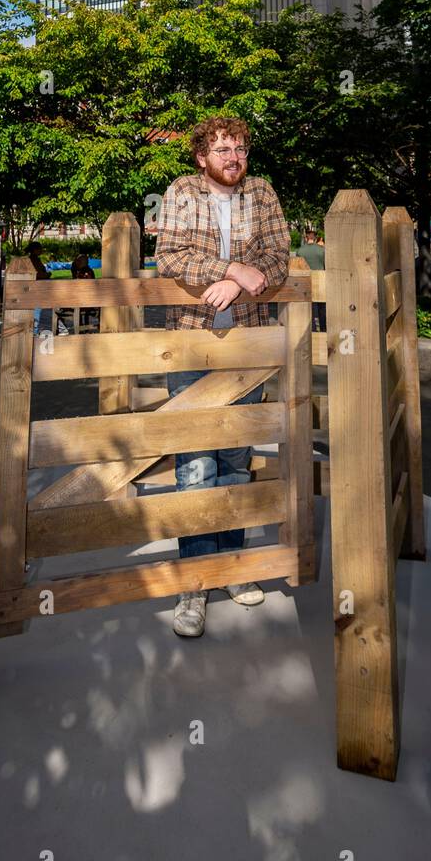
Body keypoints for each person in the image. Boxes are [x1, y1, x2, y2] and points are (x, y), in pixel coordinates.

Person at [155, 115, 290, 638]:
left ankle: (230, 566)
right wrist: (232, 271)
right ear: (201, 156)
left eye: (239, 149)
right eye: (222, 149)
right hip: (193, 341)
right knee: (194, 463)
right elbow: (170, 256)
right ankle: (195, 581)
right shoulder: (182, 191)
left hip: (248, 343)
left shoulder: (263, 192)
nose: (233, 157)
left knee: (236, 457)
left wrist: (243, 284)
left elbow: (277, 256)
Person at [294, 225, 326, 332]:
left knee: (309, 308)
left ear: (306, 236)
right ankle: (323, 329)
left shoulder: (300, 251)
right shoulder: (322, 250)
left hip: (307, 281)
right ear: (315, 237)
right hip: (321, 281)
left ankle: (311, 331)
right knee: (322, 308)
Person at [71, 253, 99, 331]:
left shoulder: (88, 272)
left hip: (87, 301)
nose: (76, 263)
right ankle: (81, 327)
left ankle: (82, 328)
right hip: (81, 300)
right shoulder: (76, 270)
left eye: (79, 261)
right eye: (77, 261)